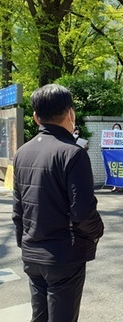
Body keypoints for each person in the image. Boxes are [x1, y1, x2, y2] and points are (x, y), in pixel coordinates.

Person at [12, 84, 104, 322]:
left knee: (39, 317)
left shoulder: (22, 152)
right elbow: (83, 213)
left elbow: (18, 210)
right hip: (63, 255)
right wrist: (96, 233)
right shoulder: (72, 153)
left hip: (32, 253)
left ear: (35, 117)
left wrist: (25, 243)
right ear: (70, 114)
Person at [110, 123, 123, 192]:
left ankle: (121, 186)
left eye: (118, 127)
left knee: (121, 172)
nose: (116, 128)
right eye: (115, 127)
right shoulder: (110, 138)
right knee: (114, 171)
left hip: (121, 157)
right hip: (113, 157)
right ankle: (115, 186)